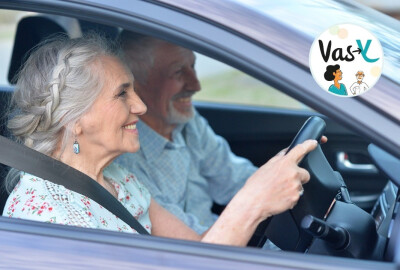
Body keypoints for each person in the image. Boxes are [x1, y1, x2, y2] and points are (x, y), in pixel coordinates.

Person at [2, 34, 317, 246]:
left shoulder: (118, 179)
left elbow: (198, 252)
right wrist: (253, 202)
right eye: (122, 93)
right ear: (76, 119)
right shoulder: (51, 221)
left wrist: (260, 191)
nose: (139, 106)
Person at [114, 31, 325, 235]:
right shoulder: (125, 162)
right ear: (136, 87)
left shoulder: (187, 121)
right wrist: (258, 200)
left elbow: (233, 179)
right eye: (178, 72)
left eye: (193, 66)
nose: (196, 85)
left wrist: (287, 171)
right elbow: (195, 249)